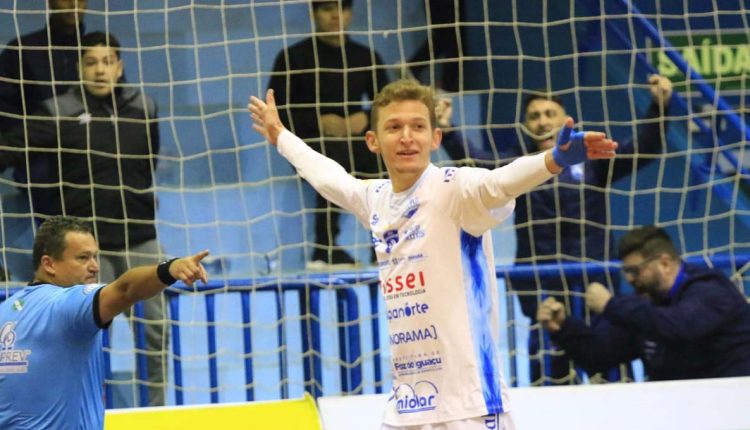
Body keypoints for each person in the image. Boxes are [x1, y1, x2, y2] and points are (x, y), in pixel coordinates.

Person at [249, 78, 618, 429]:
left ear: (435, 136)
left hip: (470, 407)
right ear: (373, 141)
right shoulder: (375, 198)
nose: (407, 137)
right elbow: (330, 178)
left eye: (418, 126)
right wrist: (281, 136)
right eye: (394, 127)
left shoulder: (456, 189)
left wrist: (552, 160)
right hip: (408, 405)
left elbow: (500, 181)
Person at [0, 31, 168, 406]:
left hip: (141, 237)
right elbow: (11, 148)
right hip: (85, 250)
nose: (99, 70)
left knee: (156, 332)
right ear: (79, 68)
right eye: (90, 62)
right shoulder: (58, 110)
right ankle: (80, 409)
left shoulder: (146, 106)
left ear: (119, 67)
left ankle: (157, 409)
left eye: (107, 61)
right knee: (77, 334)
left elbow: (149, 162)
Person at [511, 74, 674, 385]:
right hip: (544, 291)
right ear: (525, 125)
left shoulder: (593, 162)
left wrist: (660, 107)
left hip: (594, 285)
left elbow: (645, 148)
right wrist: (448, 132)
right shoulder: (517, 168)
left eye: (550, 114)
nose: (543, 121)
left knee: (610, 374)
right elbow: (475, 161)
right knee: (550, 382)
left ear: (565, 121)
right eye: (534, 116)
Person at [0, 216, 208, 429]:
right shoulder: (67, 304)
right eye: (83, 258)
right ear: (49, 264)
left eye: (95, 257)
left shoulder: (5, 310)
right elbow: (125, 290)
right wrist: (168, 270)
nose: (95, 267)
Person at [537, 225, 750, 380]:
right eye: (626, 272)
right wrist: (564, 328)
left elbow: (678, 327)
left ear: (665, 263)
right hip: (682, 407)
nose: (629, 279)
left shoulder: (711, 290)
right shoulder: (646, 308)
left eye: (635, 271)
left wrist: (611, 305)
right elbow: (600, 354)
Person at [267, 0, 389, 270]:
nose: (336, 15)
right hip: (308, 142)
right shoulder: (292, 57)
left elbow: (387, 104)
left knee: (382, 159)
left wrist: (365, 117)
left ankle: (382, 243)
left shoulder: (366, 57)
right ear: (313, 13)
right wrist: (319, 122)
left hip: (357, 141)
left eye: (342, 8)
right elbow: (277, 113)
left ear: (350, 13)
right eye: (327, 9)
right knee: (332, 156)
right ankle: (325, 247)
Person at [0, 0, 87, 278]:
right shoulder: (22, 51)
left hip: (91, 182)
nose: (74, 4)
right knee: (41, 274)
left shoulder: (95, 50)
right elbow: (7, 118)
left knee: (89, 279)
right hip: (38, 184)